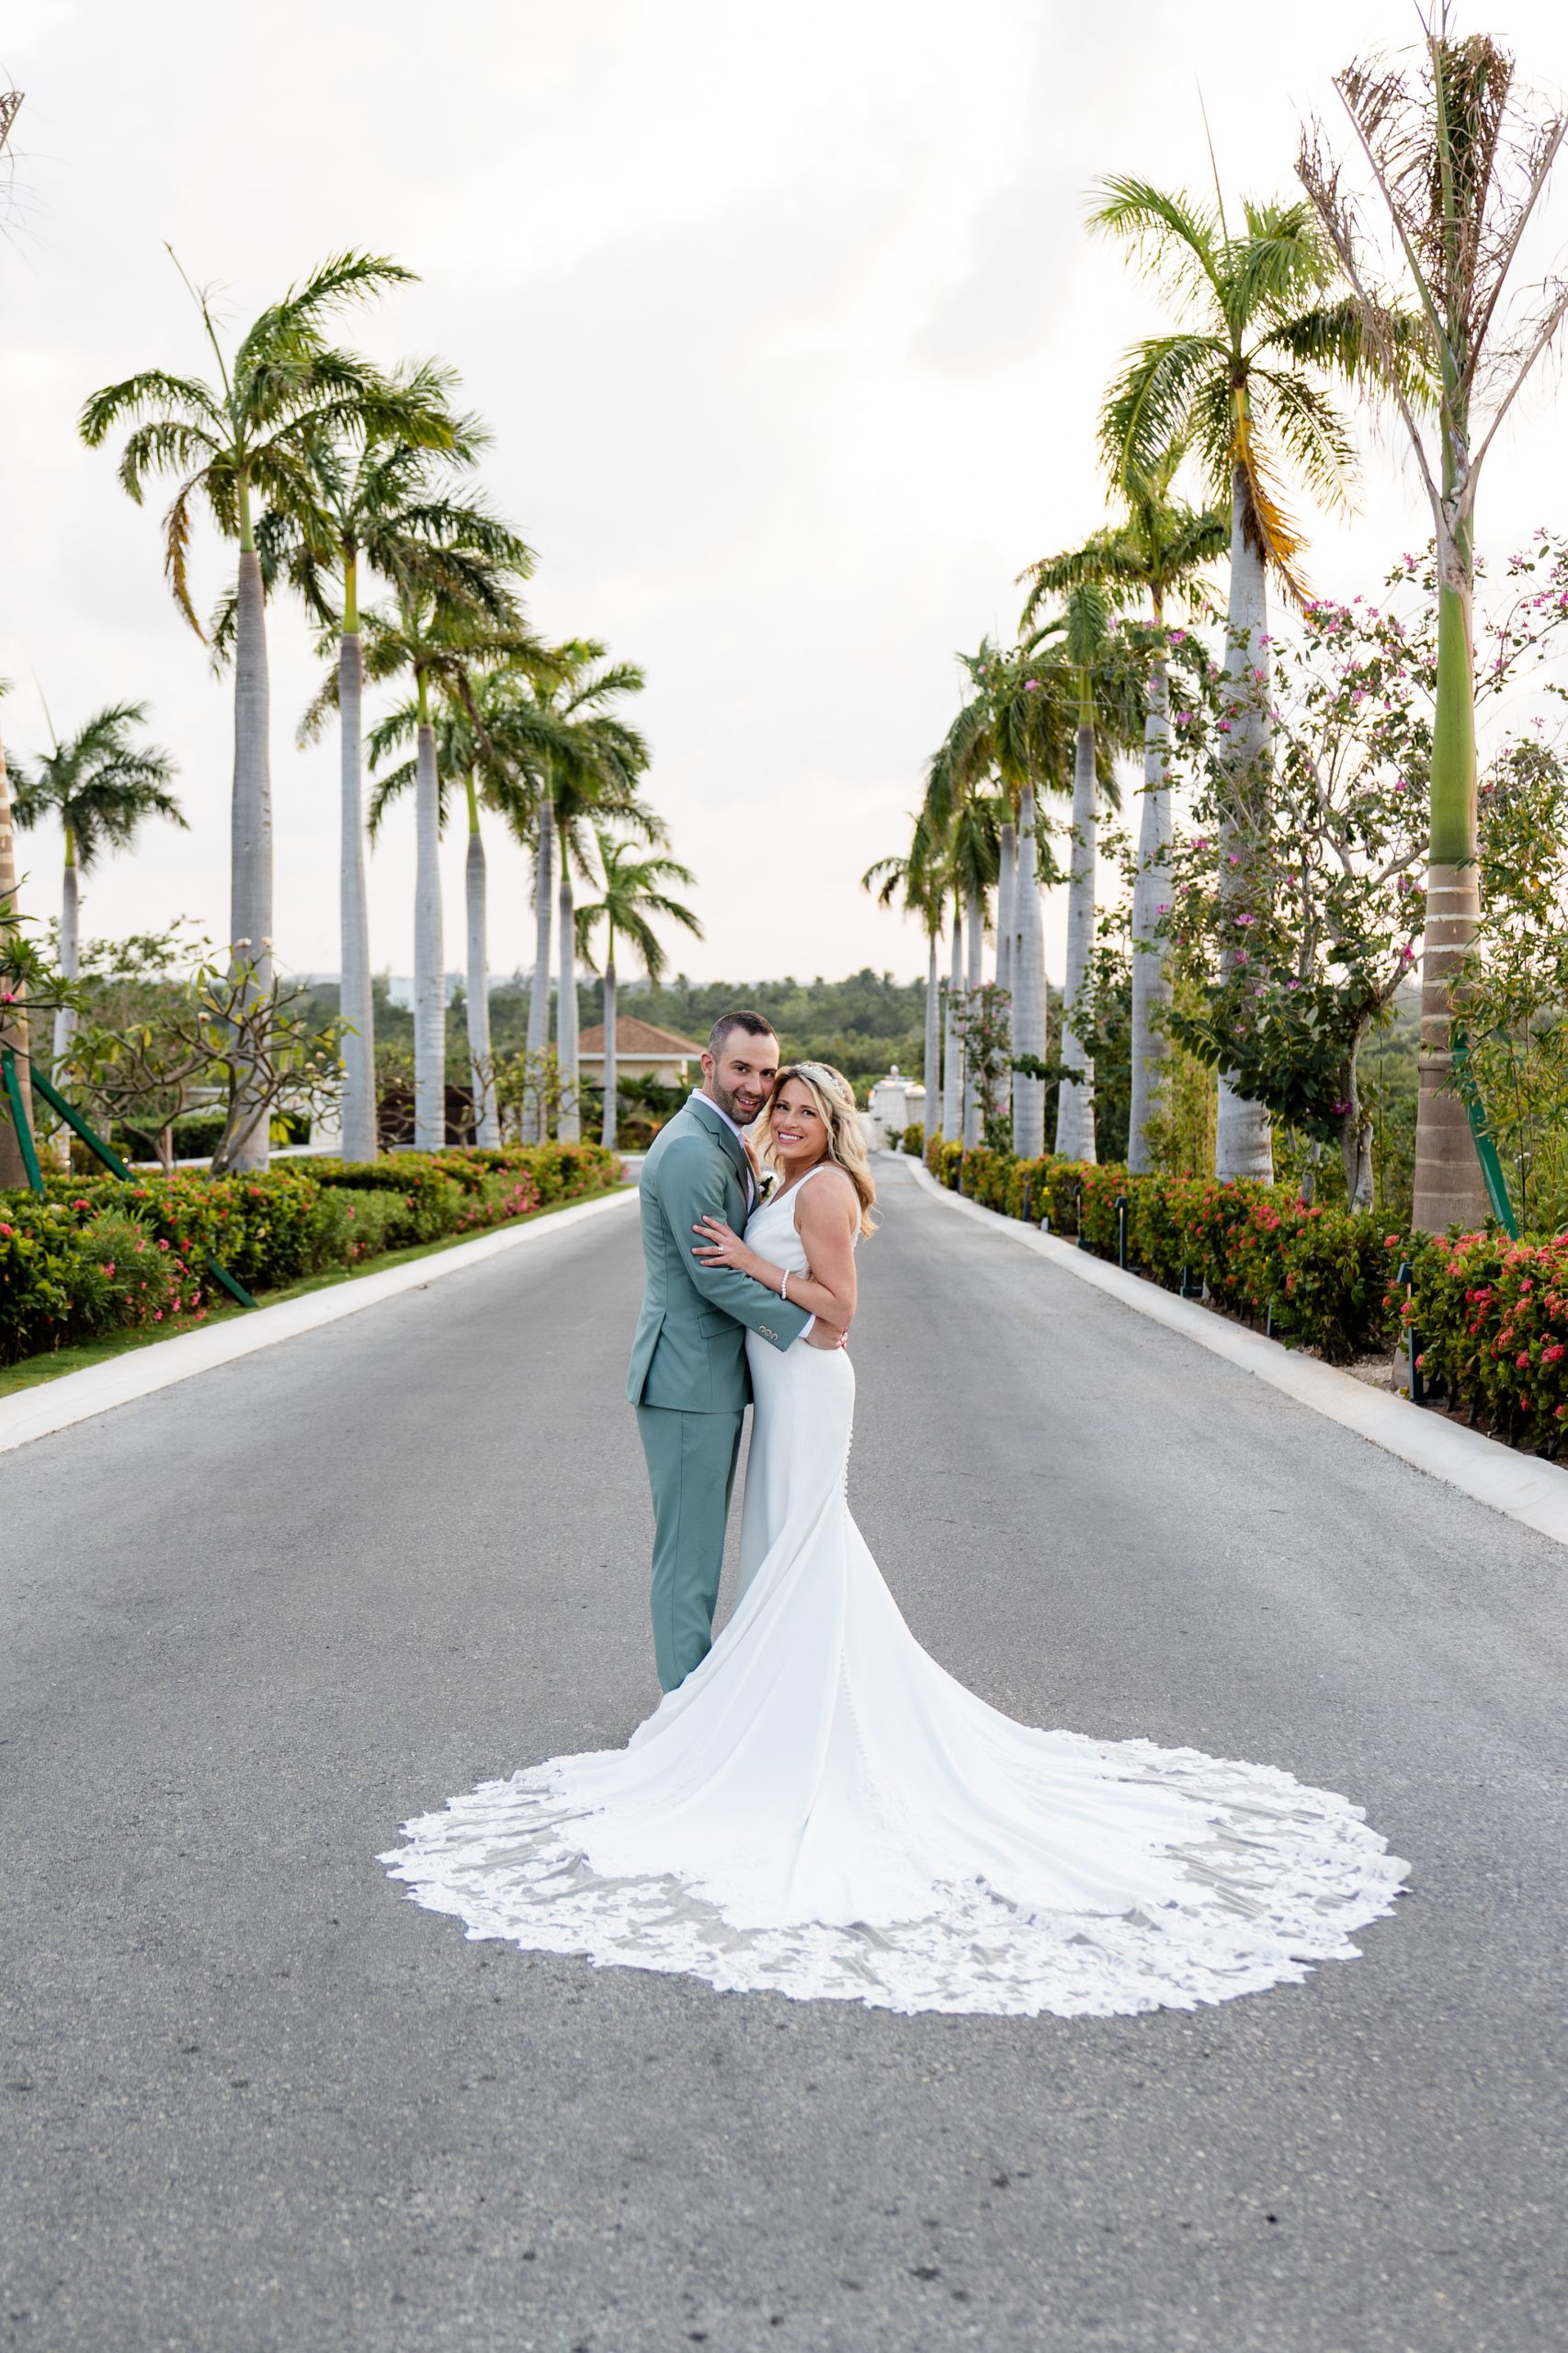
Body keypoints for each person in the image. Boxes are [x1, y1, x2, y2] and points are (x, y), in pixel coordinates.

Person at [383, 1062, 1407, 2018]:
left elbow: (837, 1319)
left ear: (833, 1126)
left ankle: (810, 1723)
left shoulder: (823, 1190)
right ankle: (793, 1701)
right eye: (776, 1105)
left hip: (809, 1385)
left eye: (801, 1110)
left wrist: (750, 1264)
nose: (783, 1119)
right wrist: (748, 1242)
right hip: (775, 1395)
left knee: (802, 1550)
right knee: (788, 1553)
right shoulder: (771, 1176)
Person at [623, 1010, 846, 1692]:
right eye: (741, 1068)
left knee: (701, 1550)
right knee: (689, 1560)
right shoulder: (693, 1148)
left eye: (764, 1072)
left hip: (709, 1378)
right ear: (707, 1065)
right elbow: (710, 1272)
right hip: (689, 1379)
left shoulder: (723, 1141)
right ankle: (682, 1716)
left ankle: (695, 1703)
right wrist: (803, 1326)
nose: (754, 1085)